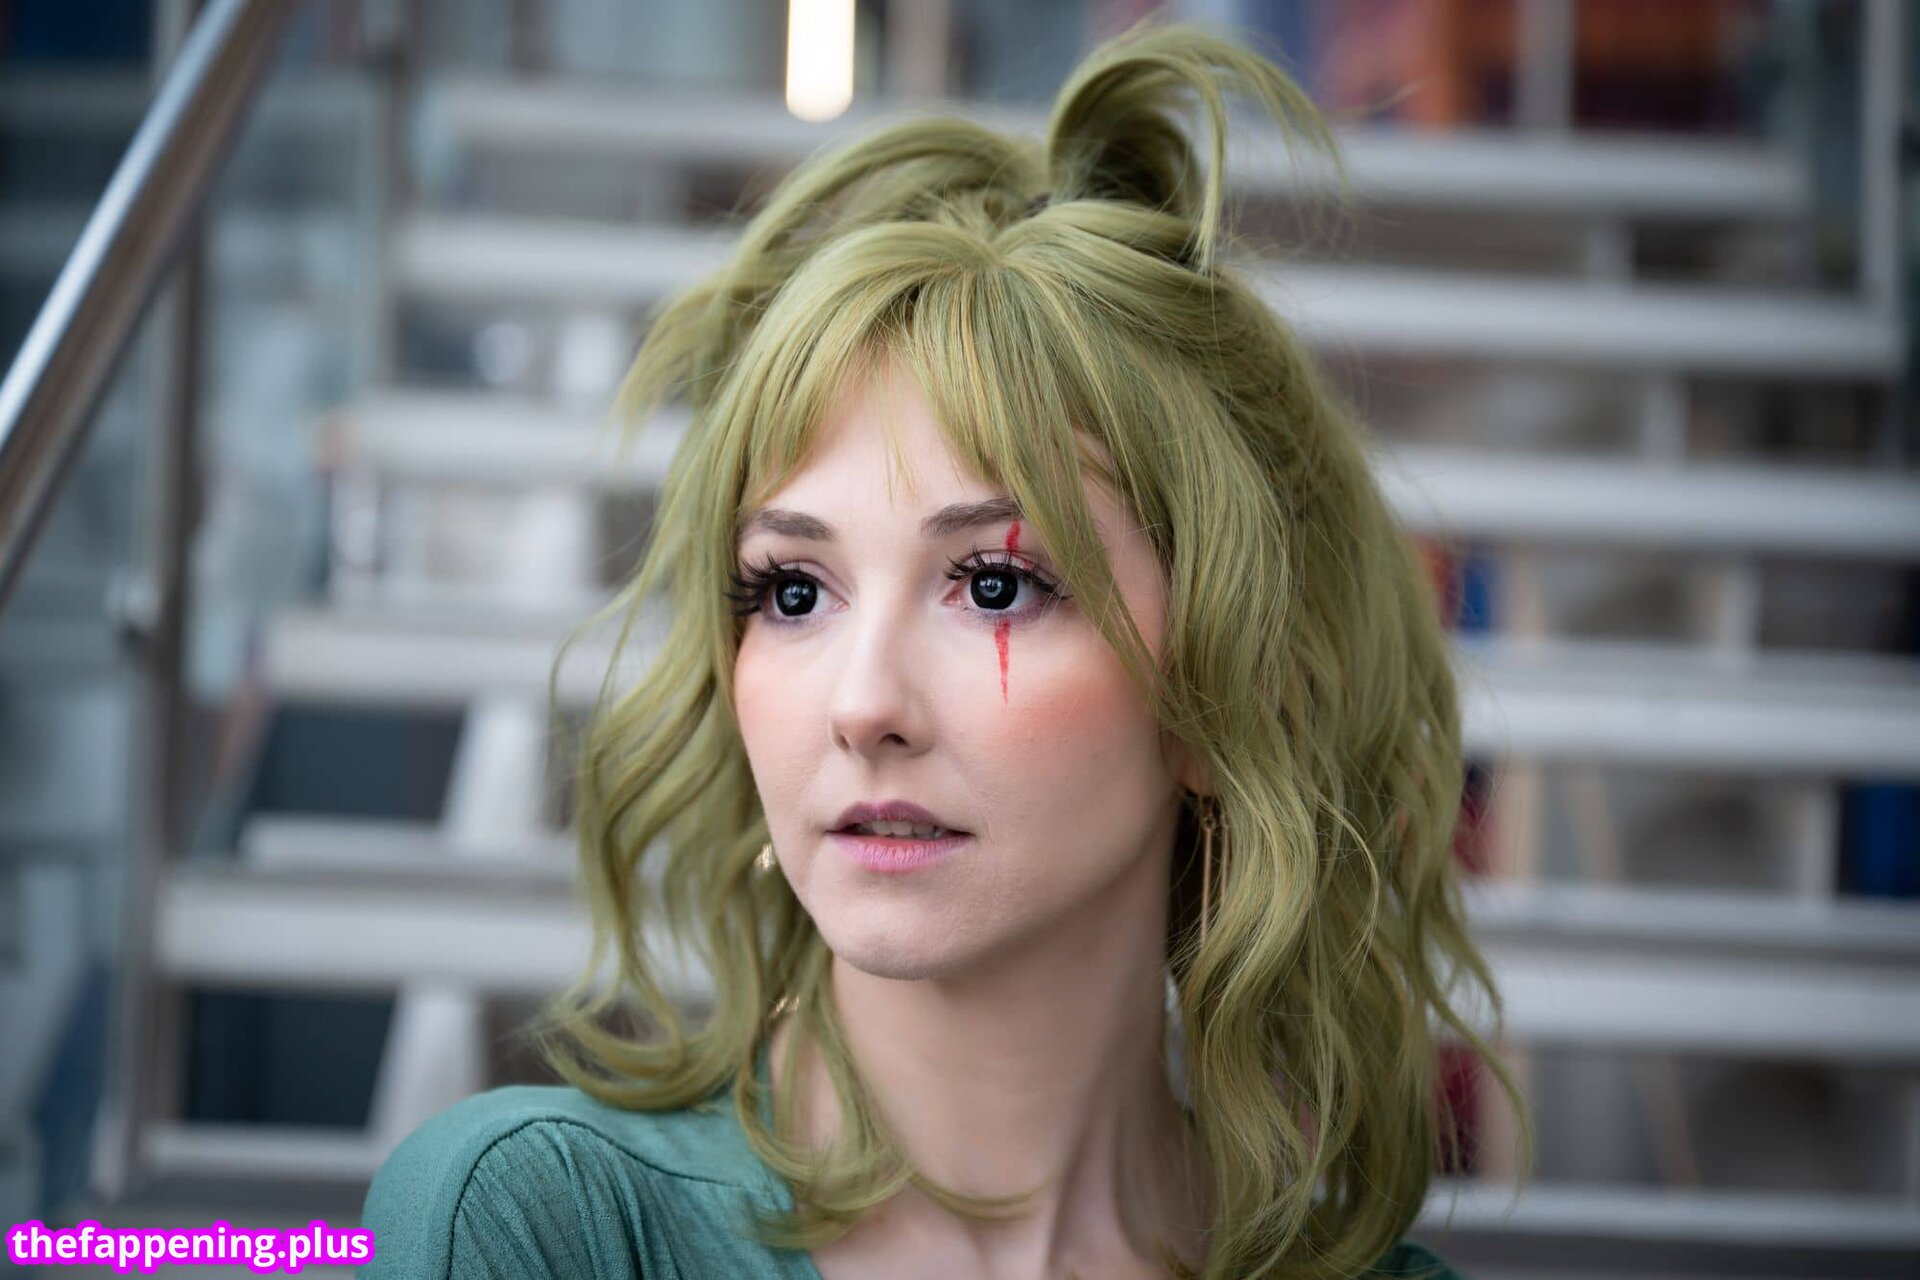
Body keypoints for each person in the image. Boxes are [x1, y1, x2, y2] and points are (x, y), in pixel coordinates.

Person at [358, 19, 1530, 1279]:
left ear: (1227, 682)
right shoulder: (540, 1226)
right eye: (793, 591)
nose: (863, 704)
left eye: (993, 584)